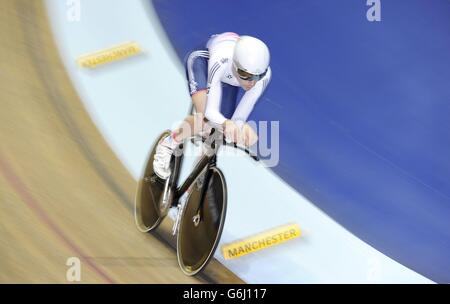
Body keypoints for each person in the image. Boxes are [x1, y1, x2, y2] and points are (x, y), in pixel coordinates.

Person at [153, 32, 272, 179]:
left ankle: (199, 175)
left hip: (229, 79)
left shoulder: (263, 76)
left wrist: (238, 129)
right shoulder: (221, 60)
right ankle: (168, 144)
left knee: (221, 132)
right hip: (204, 62)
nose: (252, 83)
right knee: (203, 120)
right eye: (246, 75)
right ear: (235, 65)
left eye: (257, 76)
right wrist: (225, 123)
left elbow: (239, 118)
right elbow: (210, 113)